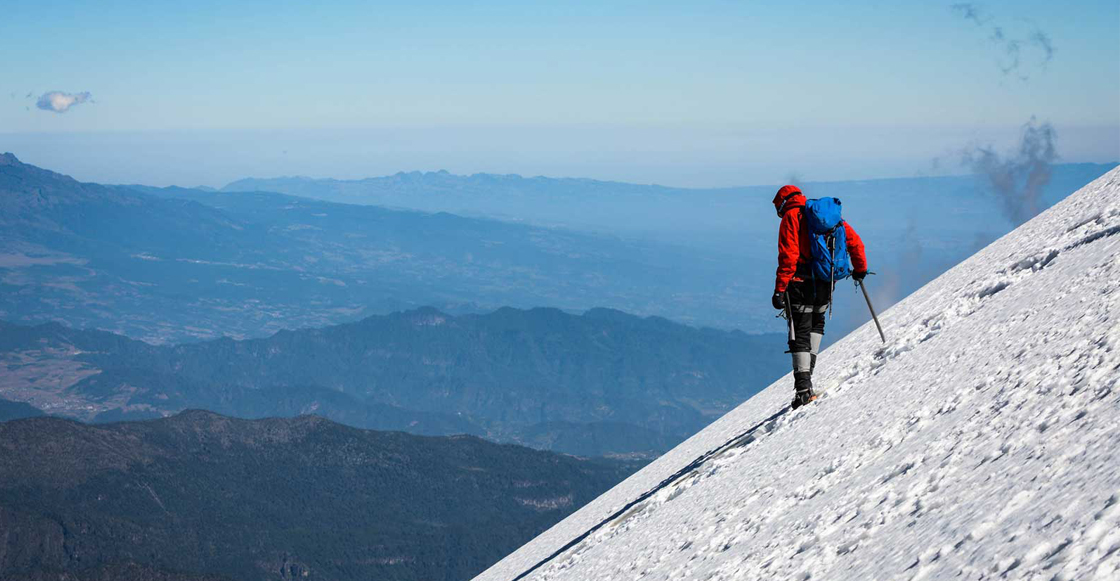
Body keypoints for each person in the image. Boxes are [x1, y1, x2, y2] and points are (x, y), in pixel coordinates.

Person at [770, 185, 868, 409]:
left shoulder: (791, 217)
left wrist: (779, 289)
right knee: (816, 324)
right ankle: (808, 378)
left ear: (782, 203)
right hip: (826, 281)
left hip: (800, 283)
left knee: (800, 334)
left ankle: (803, 390)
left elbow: (789, 257)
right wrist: (860, 268)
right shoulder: (824, 215)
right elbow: (854, 241)